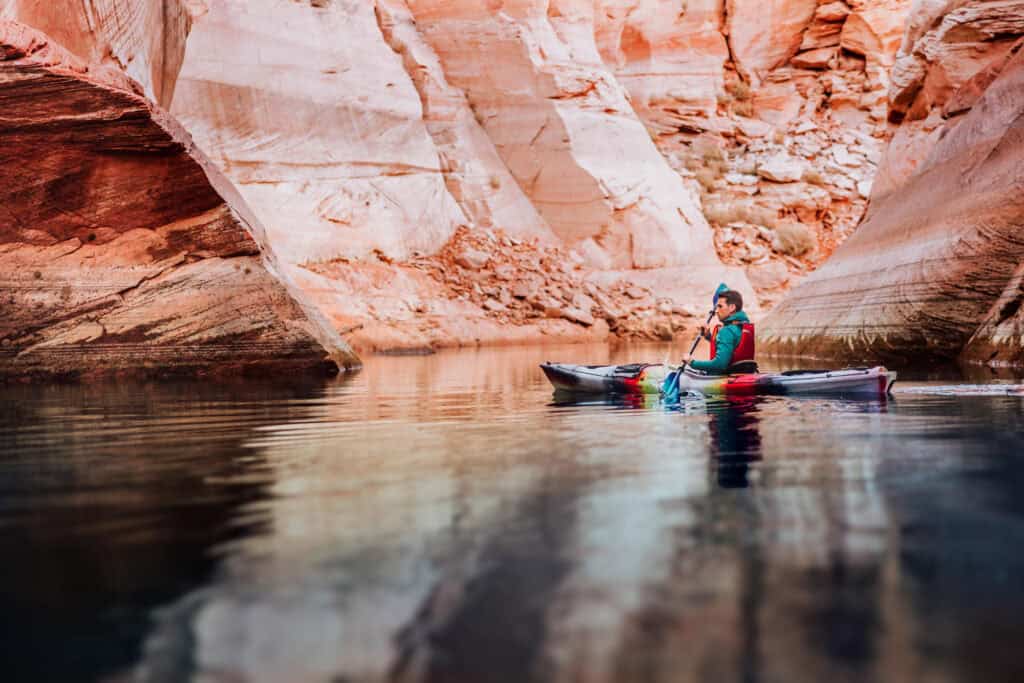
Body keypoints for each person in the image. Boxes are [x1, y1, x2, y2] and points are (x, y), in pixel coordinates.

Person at [681, 289, 755, 374]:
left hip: (727, 377)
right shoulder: (743, 327)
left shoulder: (726, 331)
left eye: (720, 306)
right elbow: (731, 346)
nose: (716, 311)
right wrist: (709, 336)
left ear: (732, 308)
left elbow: (720, 365)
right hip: (743, 373)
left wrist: (692, 363)